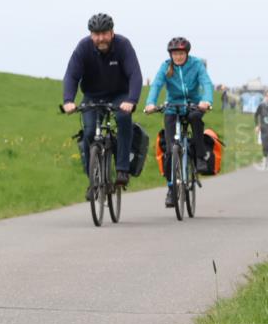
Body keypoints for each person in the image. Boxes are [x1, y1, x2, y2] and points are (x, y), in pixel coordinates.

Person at [62, 13, 142, 200]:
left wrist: (131, 100)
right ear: (91, 35)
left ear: (112, 32)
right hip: (92, 96)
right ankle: (94, 180)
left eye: (104, 33)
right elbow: (71, 75)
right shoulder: (83, 48)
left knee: (123, 119)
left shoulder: (123, 45)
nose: (100, 38)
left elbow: (135, 75)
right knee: (90, 133)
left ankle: (122, 169)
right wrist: (68, 100)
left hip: (119, 96)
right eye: (96, 34)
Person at [144, 37, 214, 207]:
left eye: (181, 53)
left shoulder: (196, 64)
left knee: (195, 118)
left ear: (187, 53)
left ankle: (200, 158)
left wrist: (206, 101)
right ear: (171, 54)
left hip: (193, 105)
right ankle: (171, 189)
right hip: (172, 107)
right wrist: (150, 103)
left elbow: (207, 83)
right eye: (175, 54)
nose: (178, 57)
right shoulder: (166, 66)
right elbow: (156, 85)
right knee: (170, 149)